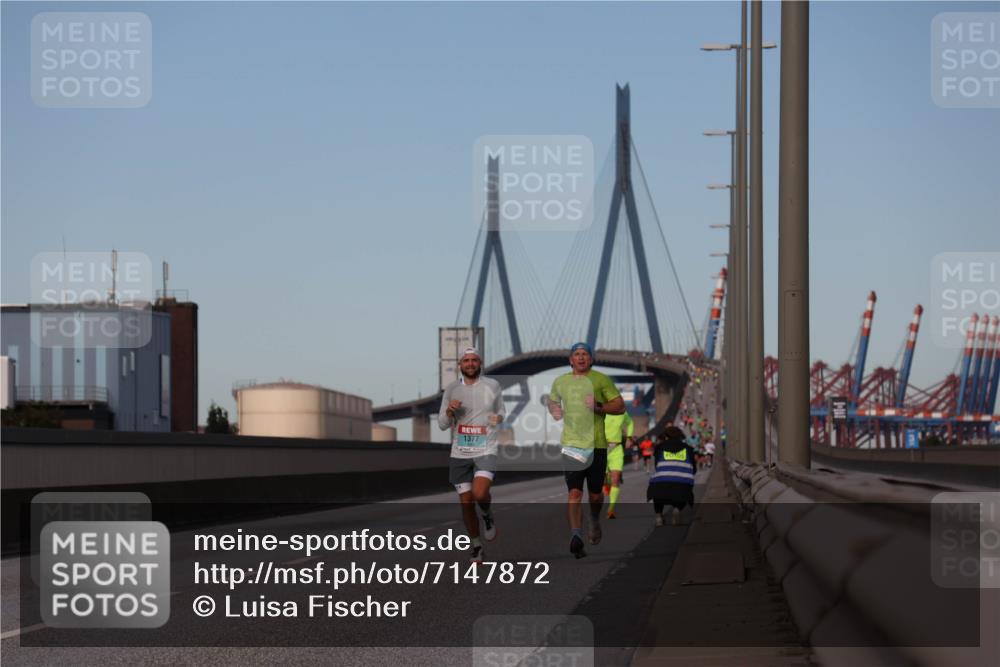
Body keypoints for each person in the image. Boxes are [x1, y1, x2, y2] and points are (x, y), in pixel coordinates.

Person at [547, 342, 625, 559]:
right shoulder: (560, 381)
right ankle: (576, 536)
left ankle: (594, 519)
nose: (581, 358)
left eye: (585, 354)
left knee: (596, 495)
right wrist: (555, 410)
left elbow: (620, 406)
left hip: (597, 445)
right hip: (571, 446)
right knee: (574, 492)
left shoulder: (601, 379)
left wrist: (599, 407)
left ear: (591, 359)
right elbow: (552, 400)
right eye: (576, 354)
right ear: (570, 360)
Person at [437, 347, 505, 563]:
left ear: (480, 363)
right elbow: (441, 424)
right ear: (460, 365)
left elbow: (502, 411)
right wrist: (449, 411)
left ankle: (486, 514)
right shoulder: (452, 389)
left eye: (474, 360)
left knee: (480, 493)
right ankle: (476, 546)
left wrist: (497, 419)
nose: (470, 363)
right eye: (466, 360)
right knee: (466, 503)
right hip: (460, 452)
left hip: (486, 448)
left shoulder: (492, 385)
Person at [647, 426, 696, 526]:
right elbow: (694, 469)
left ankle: (659, 516)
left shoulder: (660, 448)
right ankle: (677, 509)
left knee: (657, 489)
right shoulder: (688, 448)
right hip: (682, 484)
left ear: (666, 436)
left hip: (662, 484)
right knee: (684, 490)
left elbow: (657, 466)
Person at [602, 408, 634, 519]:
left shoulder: (622, 412)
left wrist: (629, 438)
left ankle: (610, 510)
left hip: (617, 449)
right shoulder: (601, 411)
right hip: (602, 449)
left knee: (615, 479)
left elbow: (630, 423)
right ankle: (606, 482)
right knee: (605, 482)